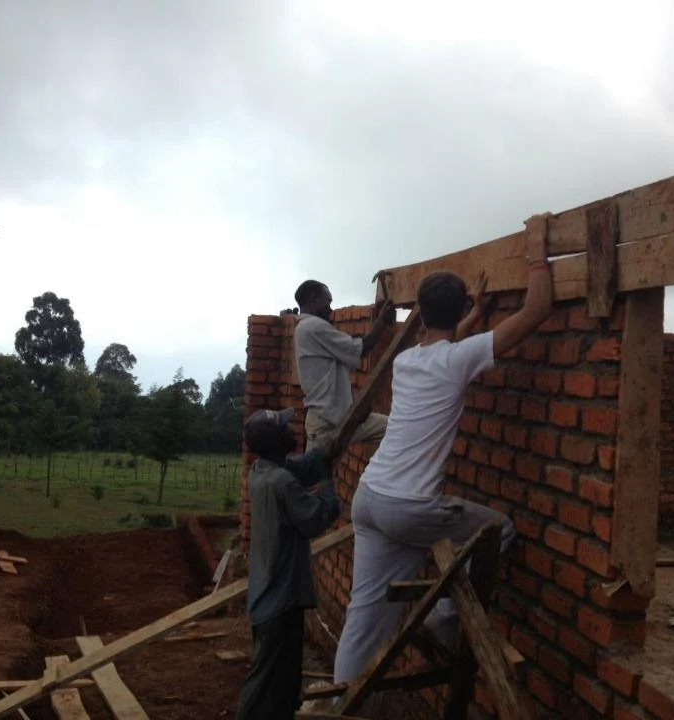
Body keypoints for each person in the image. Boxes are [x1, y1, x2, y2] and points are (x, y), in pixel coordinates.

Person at [332, 213, 554, 690]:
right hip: (410, 508)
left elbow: (447, 338)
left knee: (364, 616)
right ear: (457, 317)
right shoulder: (458, 361)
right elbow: (536, 312)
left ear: (423, 317)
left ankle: (339, 707)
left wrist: (472, 313)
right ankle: (446, 618)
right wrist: (538, 249)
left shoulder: (410, 359)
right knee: (500, 528)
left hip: (369, 499)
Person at [235, 407, 342, 720]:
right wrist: (326, 479)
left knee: (283, 682)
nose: (291, 428)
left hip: (268, 595)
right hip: (279, 603)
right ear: (278, 441)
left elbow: (297, 466)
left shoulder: (261, 472)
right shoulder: (282, 483)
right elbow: (319, 517)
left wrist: (319, 454)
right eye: (284, 427)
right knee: (265, 681)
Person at [293, 280, 397, 455]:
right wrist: (381, 323)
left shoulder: (303, 328)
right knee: (317, 480)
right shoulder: (313, 326)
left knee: (394, 428)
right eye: (328, 301)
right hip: (325, 423)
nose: (330, 309)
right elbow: (361, 349)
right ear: (314, 299)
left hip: (341, 419)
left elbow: (337, 371)